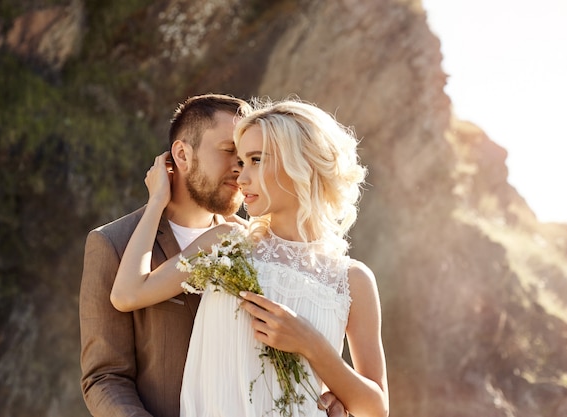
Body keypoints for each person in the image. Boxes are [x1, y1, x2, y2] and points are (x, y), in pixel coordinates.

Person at [110, 99, 389, 417]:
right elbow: (128, 293)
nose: (241, 178)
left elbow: (376, 409)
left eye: (256, 160)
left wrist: (311, 344)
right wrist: (157, 201)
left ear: (302, 163)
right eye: (241, 162)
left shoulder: (352, 280)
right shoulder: (227, 244)